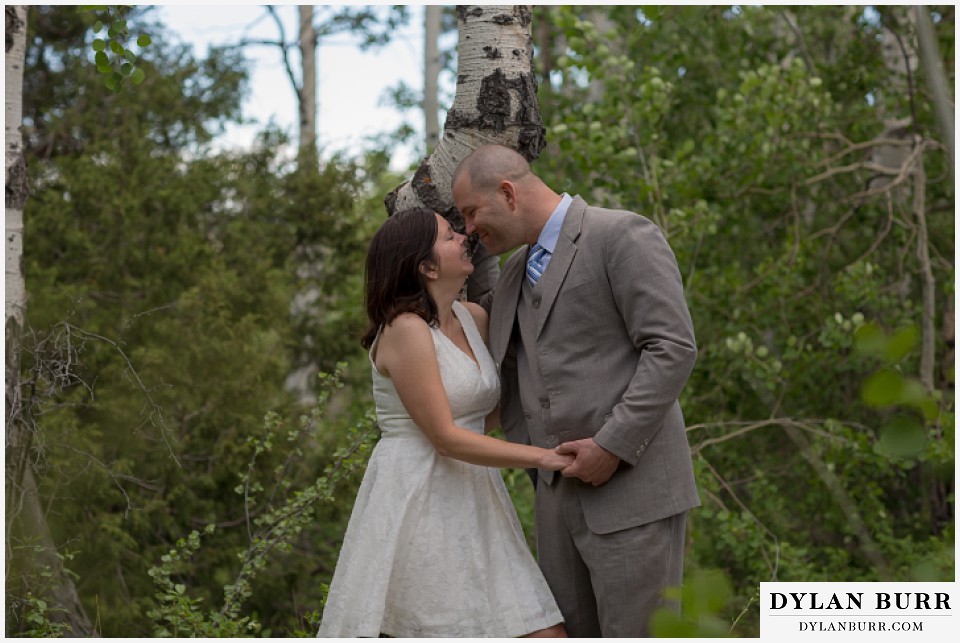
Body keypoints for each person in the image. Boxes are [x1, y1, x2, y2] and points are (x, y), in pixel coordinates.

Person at [452, 144, 700, 637]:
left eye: (470, 213)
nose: (469, 230)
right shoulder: (513, 278)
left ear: (507, 192)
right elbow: (512, 377)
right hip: (555, 507)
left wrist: (611, 446)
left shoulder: (621, 234)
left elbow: (672, 347)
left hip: (634, 496)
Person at [317, 207, 570, 638]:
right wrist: (548, 457)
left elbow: (483, 415)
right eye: (448, 235)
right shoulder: (405, 330)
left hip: (476, 492)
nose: (463, 238)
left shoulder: (474, 319)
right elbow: (446, 438)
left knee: (538, 627)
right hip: (420, 493)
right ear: (425, 266)